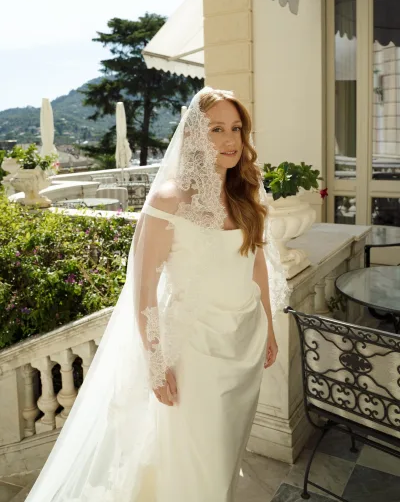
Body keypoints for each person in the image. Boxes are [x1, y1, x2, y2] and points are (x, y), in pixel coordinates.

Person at [25, 87, 288, 502]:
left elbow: (256, 264)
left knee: (227, 448)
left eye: (236, 128)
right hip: (195, 353)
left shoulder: (244, 195)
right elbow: (144, 291)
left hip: (245, 341)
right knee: (197, 455)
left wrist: (269, 327)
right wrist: (156, 361)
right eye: (217, 129)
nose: (230, 140)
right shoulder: (168, 203)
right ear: (195, 137)